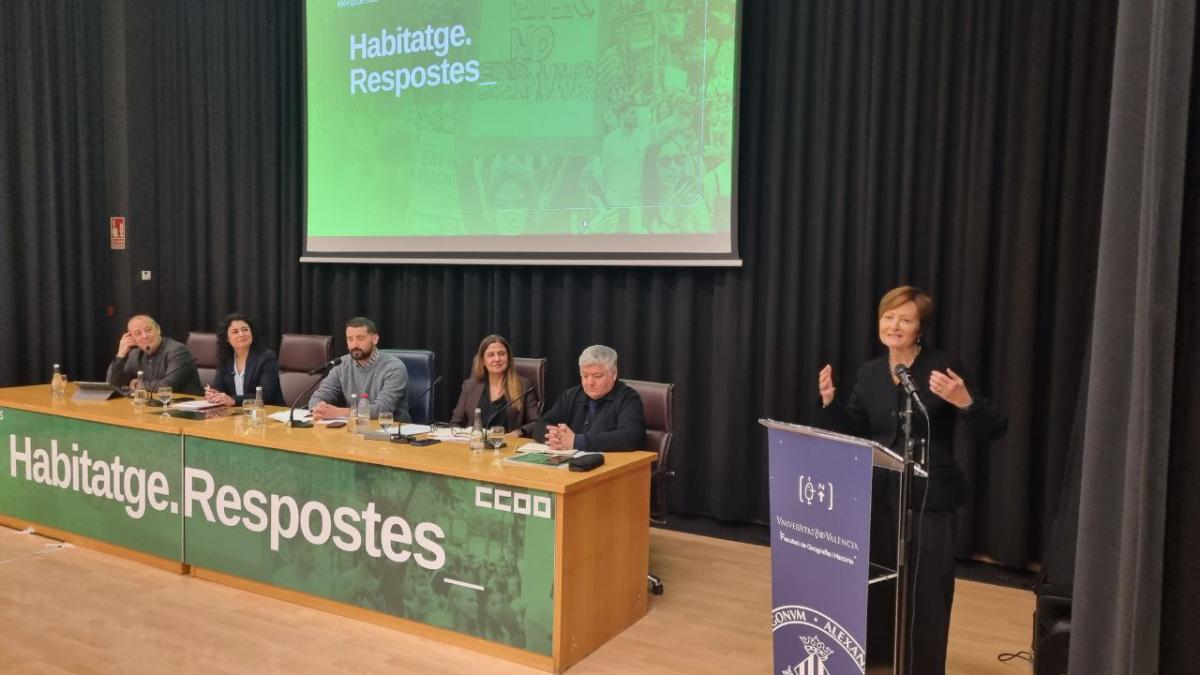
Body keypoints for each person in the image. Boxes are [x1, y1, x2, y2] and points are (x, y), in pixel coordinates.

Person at [816, 286, 1008, 675]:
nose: (894, 325)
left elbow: (994, 428)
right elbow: (857, 429)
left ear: (920, 328)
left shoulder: (941, 367)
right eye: (888, 317)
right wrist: (830, 404)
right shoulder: (871, 371)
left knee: (927, 593)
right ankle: (881, 663)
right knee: (878, 584)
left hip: (930, 496)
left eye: (904, 319)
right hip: (877, 493)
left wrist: (964, 401)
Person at [534, 345, 645, 452]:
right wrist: (554, 436)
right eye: (585, 376)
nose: (589, 382)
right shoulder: (571, 395)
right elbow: (540, 425)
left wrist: (576, 441)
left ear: (614, 374)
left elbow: (630, 437)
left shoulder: (628, 398)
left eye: (597, 376)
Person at [308, 317, 409, 422]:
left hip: (389, 431)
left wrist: (337, 412)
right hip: (352, 428)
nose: (354, 344)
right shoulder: (341, 364)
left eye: (360, 338)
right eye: (350, 339)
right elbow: (318, 397)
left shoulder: (394, 367)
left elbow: (382, 409)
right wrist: (319, 409)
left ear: (374, 339)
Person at [450, 334, 541, 435]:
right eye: (491, 355)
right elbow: (455, 422)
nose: (497, 359)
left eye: (501, 354)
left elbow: (536, 422)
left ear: (508, 357)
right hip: (475, 444)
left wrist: (518, 432)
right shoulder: (470, 386)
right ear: (483, 361)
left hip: (506, 445)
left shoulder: (524, 386)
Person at [106, 314, 203, 395]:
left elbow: (168, 386)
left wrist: (138, 384)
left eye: (148, 330)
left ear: (158, 330)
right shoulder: (135, 354)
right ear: (132, 338)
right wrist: (121, 354)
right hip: (152, 408)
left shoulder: (177, 350)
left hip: (185, 409)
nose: (145, 336)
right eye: (137, 333)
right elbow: (112, 383)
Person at [203, 313, 283, 406]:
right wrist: (214, 394)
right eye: (235, 331)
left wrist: (233, 400)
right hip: (237, 414)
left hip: (267, 412)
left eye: (245, 330)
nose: (241, 334)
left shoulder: (267, 357)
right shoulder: (226, 358)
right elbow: (219, 386)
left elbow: (265, 395)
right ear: (227, 339)